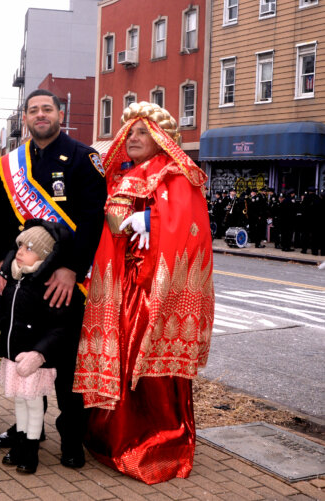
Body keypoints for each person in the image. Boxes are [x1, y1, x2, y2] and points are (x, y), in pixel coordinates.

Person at [73, 102, 214, 484]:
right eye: (129, 132)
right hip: (120, 286)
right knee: (117, 359)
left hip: (152, 291)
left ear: (160, 138)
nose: (133, 138)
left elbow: (189, 219)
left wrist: (150, 217)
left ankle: (155, 441)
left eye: (142, 132)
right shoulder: (123, 174)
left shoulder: (174, 173)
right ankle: (112, 436)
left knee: (145, 362)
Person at [0, 89, 106, 467]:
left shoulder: (84, 158)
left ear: (60, 113)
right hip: (25, 279)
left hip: (66, 280)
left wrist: (73, 268)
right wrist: (2, 265)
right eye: (33, 110)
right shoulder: (12, 164)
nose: (40, 115)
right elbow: (0, 220)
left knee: (66, 364)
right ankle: (24, 433)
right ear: (25, 118)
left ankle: (72, 437)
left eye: (47, 109)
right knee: (24, 355)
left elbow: (91, 220)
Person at [0, 220, 72, 474]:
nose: (20, 251)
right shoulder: (15, 281)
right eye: (20, 245)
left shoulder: (47, 287)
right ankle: (20, 442)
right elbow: (0, 313)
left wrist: (39, 354)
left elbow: (59, 328)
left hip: (32, 360)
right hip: (13, 356)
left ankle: (30, 450)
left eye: (29, 248)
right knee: (20, 402)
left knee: (32, 404)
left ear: (44, 254)